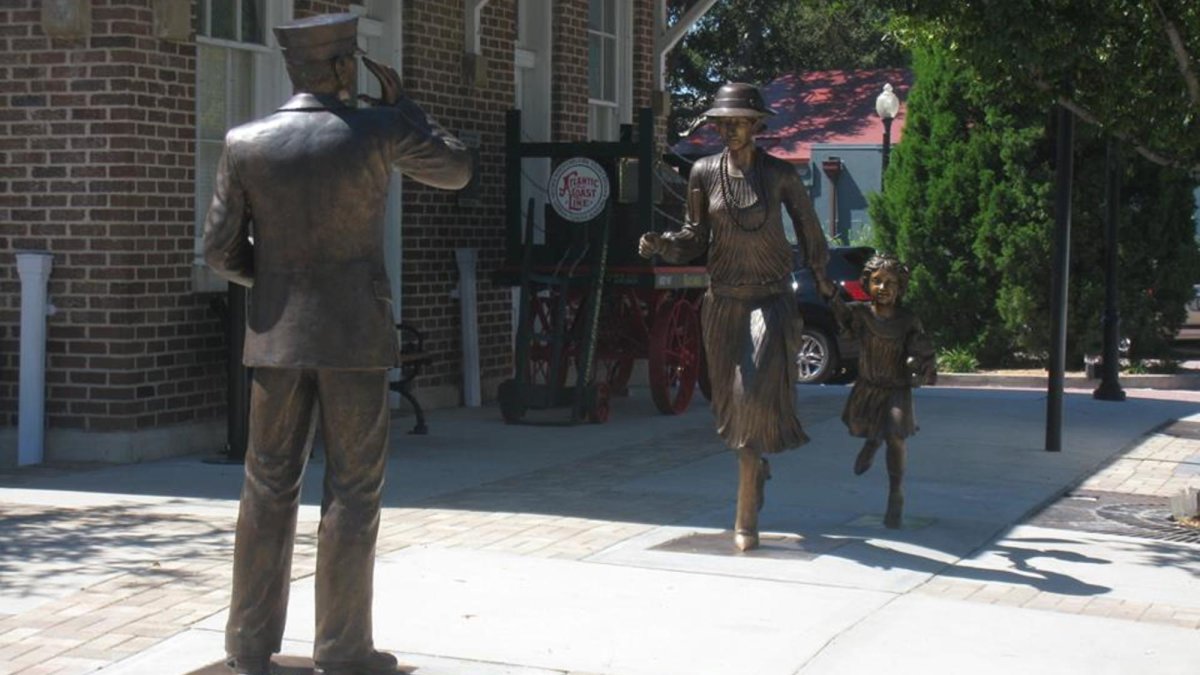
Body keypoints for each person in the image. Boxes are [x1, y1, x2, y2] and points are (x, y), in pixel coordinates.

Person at [202, 13, 472, 675]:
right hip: (354, 334)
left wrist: (272, 283)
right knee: (353, 490)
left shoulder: (246, 142)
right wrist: (405, 105)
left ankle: (247, 643)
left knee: (265, 487)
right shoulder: (377, 132)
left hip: (275, 338)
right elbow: (458, 168)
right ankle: (343, 647)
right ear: (345, 67)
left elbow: (217, 250)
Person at [639, 82, 833, 551]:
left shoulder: (780, 176)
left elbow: (809, 228)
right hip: (722, 301)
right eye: (723, 123)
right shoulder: (704, 173)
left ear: (757, 125)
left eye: (740, 122)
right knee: (728, 407)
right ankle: (755, 467)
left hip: (768, 299)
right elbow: (694, 236)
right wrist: (665, 244)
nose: (730, 130)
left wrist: (822, 275)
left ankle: (745, 517)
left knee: (749, 393)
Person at [832, 253, 937, 529]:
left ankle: (895, 492)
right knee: (865, 426)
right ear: (867, 284)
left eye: (891, 282)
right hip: (868, 387)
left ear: (900, 287)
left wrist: (920, 362)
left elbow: (922, 350)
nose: (883, 288)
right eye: (877, 281)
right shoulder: (860, 315)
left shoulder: (907, 320)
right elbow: (840, 312)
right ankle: (871, 441)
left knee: (897, 435)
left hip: (897, 388)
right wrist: (827, 288)